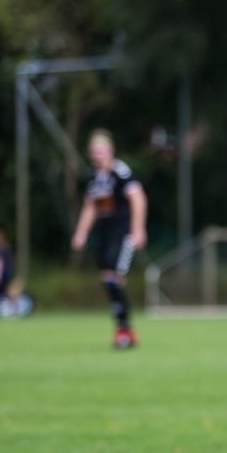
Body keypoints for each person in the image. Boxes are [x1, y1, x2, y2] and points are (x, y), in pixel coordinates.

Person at [71, 129, 148, 348]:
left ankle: (124, 331)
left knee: (116, 277)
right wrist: (81, 233)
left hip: (122, 233)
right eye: (94, 152)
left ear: (110, 151)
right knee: (108, 279)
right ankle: (124, 329)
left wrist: (138, 229)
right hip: (104, 234)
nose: (98, 155)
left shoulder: (121, 172)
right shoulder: (93, 178)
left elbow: (138, 199)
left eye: (101, 151)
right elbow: (90, 207)